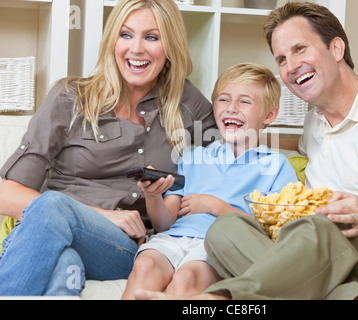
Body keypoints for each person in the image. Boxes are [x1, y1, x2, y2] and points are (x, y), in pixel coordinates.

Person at [136, 2, 358, 300]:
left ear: (337, 49)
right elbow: (290, 146)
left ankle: (216, 299)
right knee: (224, 230)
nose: (291, 66)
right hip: (312, 244)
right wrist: (240, 139)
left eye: (300, 49)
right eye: (281, 59)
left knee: (317, 229)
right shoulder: (316, 119)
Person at [0, 0, 217, 296]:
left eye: (151, 37)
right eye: (125, 35)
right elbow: (6, 194)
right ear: (111, 40)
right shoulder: (70, 98)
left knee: (52, 206)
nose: (136, 49)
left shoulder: (186, 102)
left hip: (121, 248)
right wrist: (102, 214)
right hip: (48, 230)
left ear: (170, 47)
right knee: (63, 258)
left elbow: (234, 157)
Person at [121, 62, 299, 299]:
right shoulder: (192, 157)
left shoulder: (276, 166)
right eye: (224, 99)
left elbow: (270, 235)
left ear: (269, 115)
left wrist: (215, 206)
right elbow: (164, 223)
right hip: (174, 238)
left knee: (187, 279)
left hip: (216, 246)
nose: (231, 108)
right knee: (145, 267)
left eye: (244, 101)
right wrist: (153, 195)